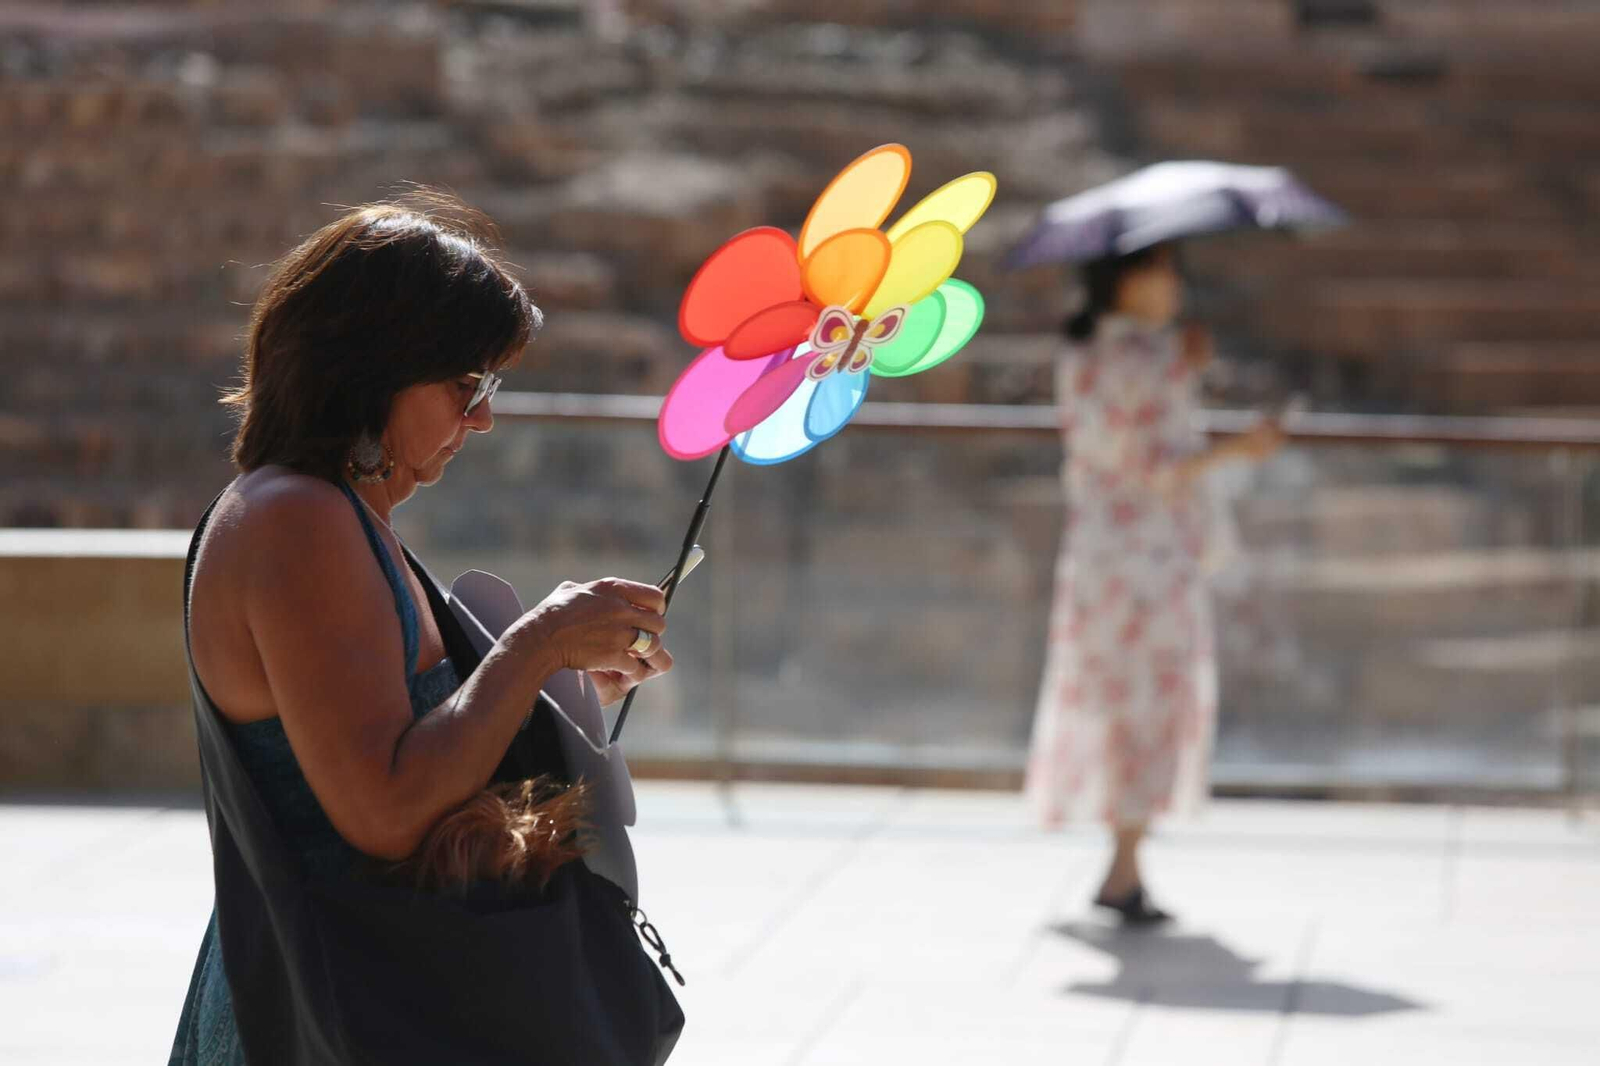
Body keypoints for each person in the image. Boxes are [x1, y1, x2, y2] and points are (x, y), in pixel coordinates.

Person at [171, 193, 682, 1063]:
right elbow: (386, 809)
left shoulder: (330, 513)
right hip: (333, 1011)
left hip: (355, 997)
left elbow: (399, 728)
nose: (482, 417)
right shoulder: (296, 519)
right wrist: (536, 643)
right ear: (372, 368)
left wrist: (557, 687)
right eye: (465, 385)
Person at [1025, 243, 1282, 924]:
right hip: (1149, 558)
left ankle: (1125, 864)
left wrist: (1184, 368)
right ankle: (1124, 866)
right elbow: (1151, 463)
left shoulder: (1087, 353)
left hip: (1101, 554)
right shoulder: (1143, 356)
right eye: (1161, 268)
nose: (1173, 283)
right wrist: (1239, 446)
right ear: (1126, 278)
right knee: (1146, 700)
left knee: (1115, 698)